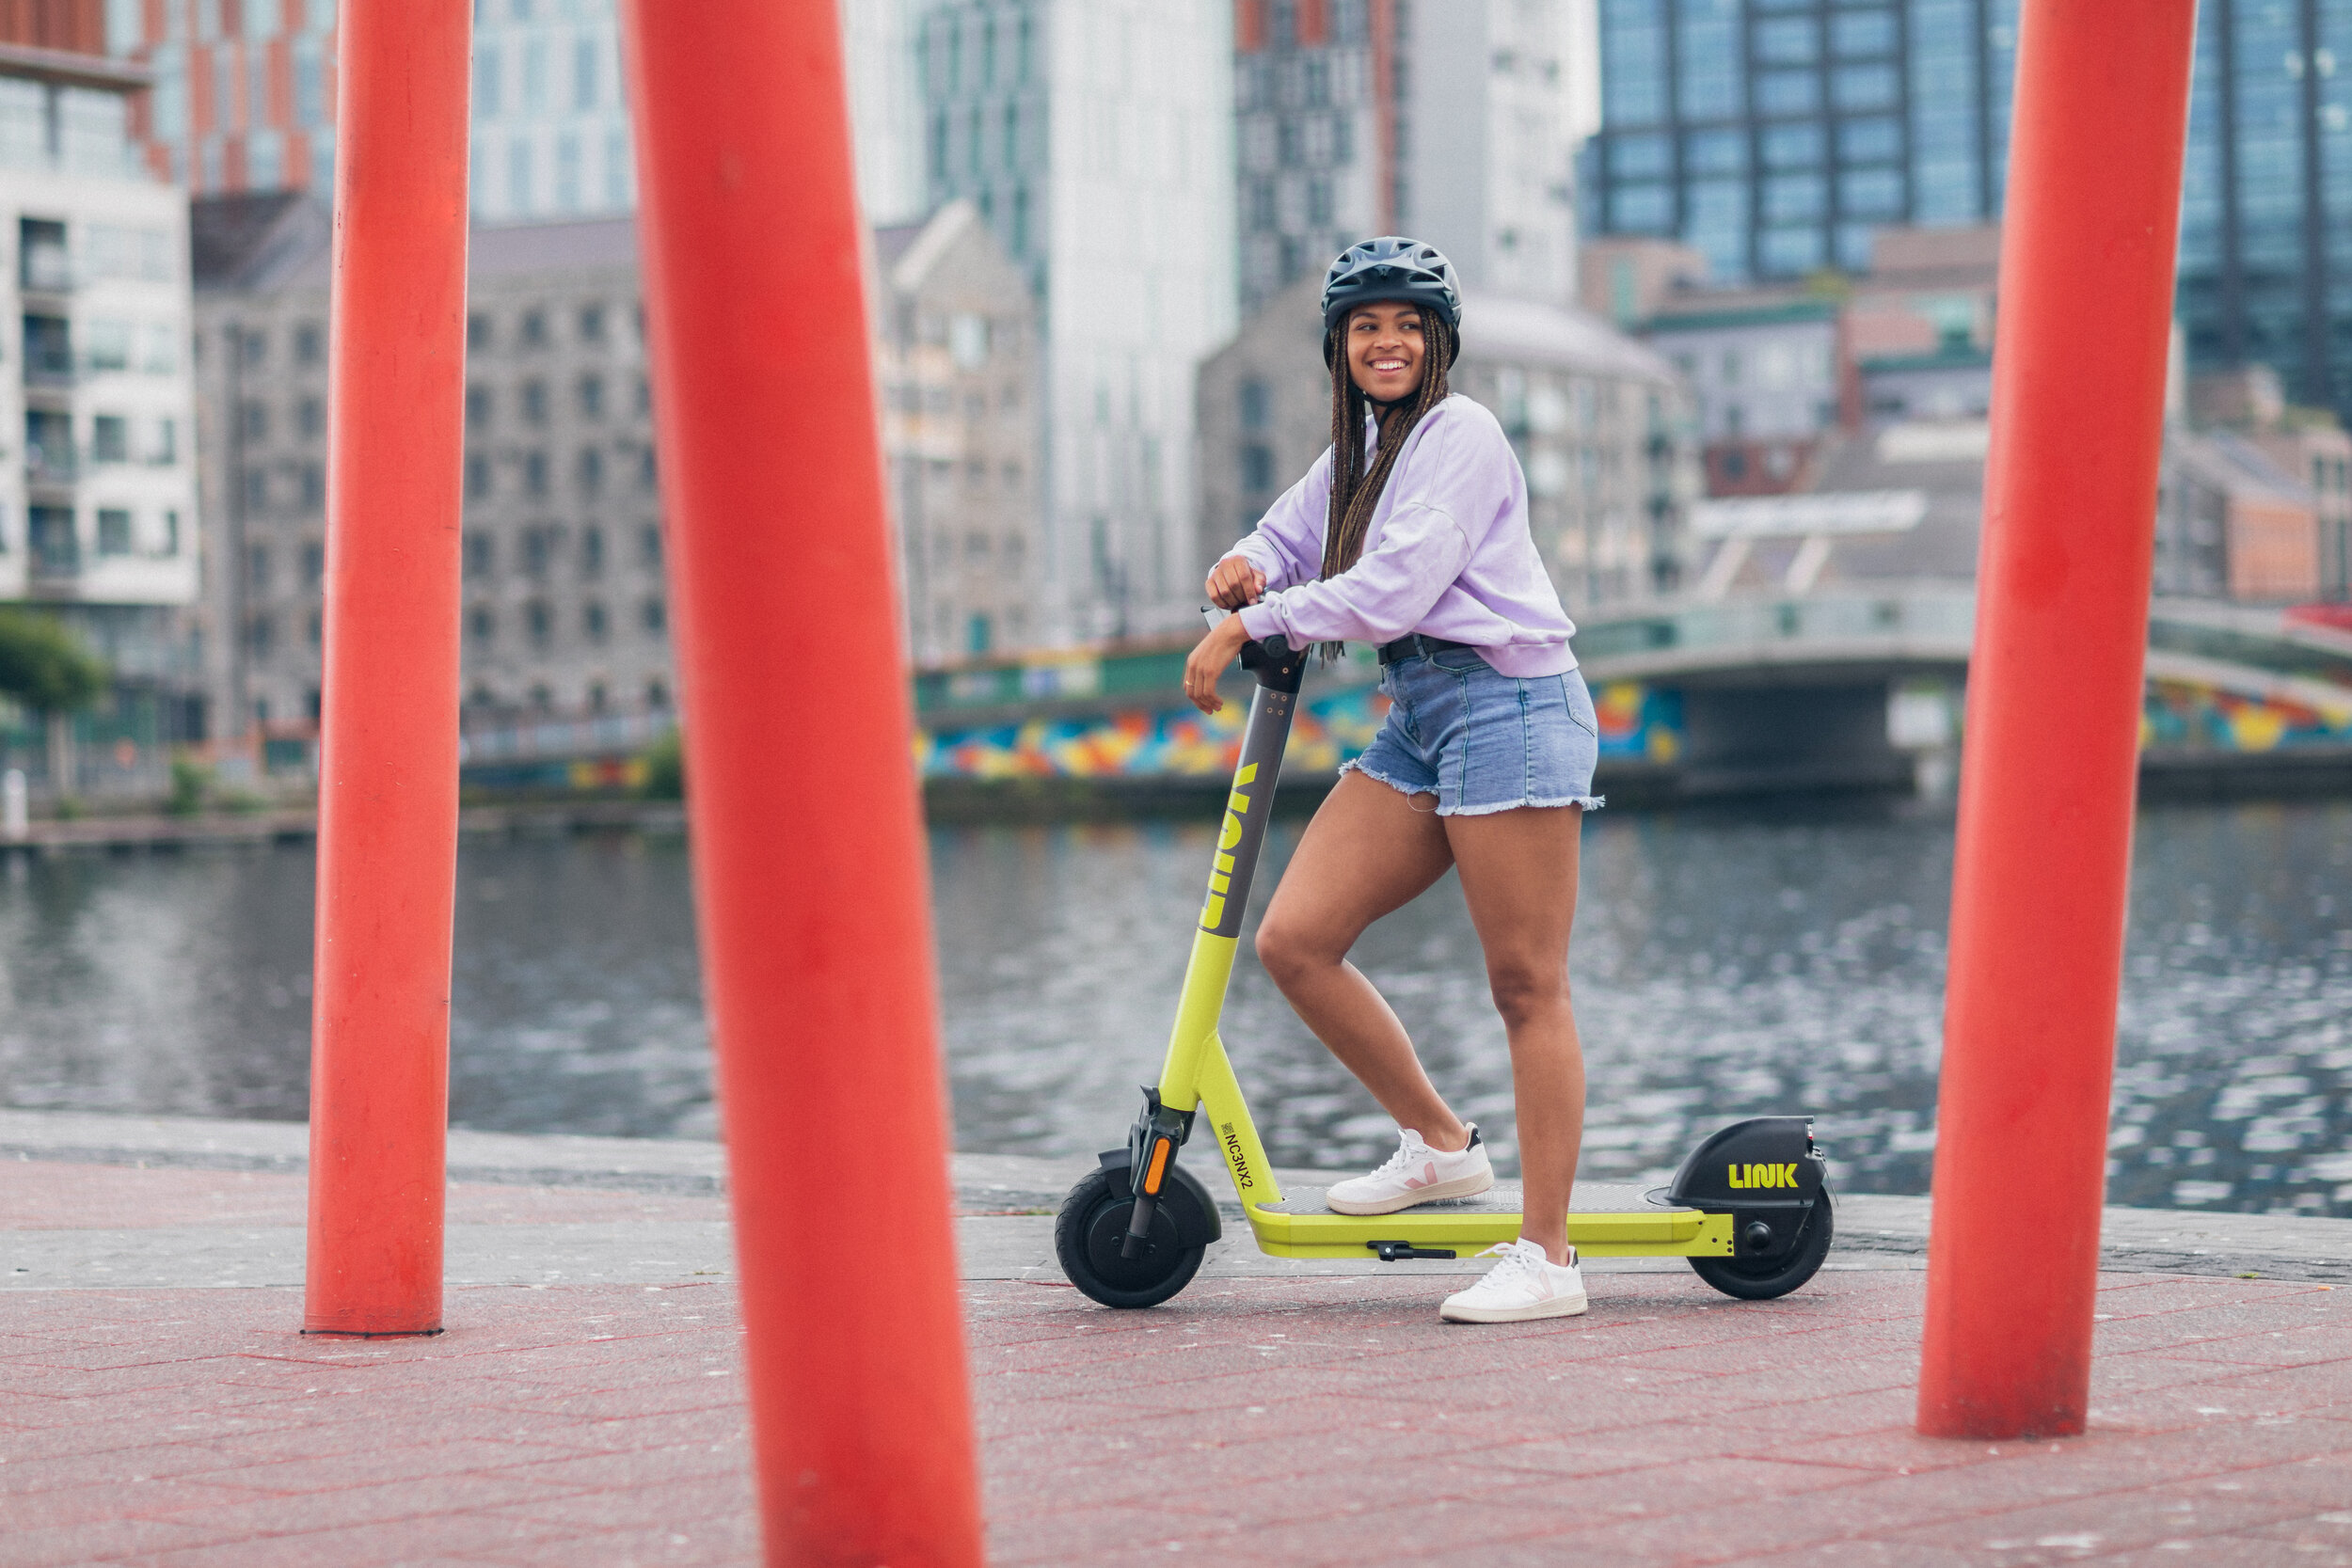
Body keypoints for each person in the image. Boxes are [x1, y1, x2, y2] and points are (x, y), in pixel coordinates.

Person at [1182, 236, 1602, 1324]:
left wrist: (1253, 624)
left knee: (1525, 985)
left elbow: (1393, 588)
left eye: (1407, 325)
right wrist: (1244, 568)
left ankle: (1548, 1256)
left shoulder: (1459, 434)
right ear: (1340, 347)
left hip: (1509, 705)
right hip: (1423, 714)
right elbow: (1285, 533)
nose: (1387, 341)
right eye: (1366, 325)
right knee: (1295, 939)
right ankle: (1440, 1144)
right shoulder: (1360, 449)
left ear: (1438, 344)